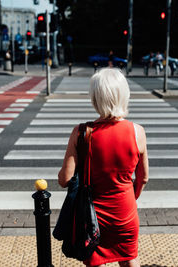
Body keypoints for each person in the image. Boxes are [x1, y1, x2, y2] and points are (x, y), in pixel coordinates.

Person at [58, 68, 149, 267]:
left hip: (91, 216)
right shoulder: (137, 132)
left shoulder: (81, 132)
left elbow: (64, 180)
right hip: (125, 211)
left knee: (94, 260)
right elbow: (142, 178)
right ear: (124, 95)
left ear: (95, 98)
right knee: (129, 257)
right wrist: (131, 197)